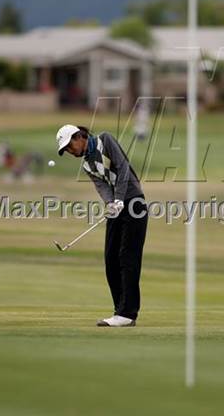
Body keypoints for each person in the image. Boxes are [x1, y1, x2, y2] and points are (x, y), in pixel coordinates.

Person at [56, 124, 148, 327]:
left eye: (69, 146)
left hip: (134, 202)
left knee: (127, 258)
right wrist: (110, 203)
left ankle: (128, 313)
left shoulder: (104, 141)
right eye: (66, 150)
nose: (70, 152)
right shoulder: (87, 165)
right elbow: (102, 186)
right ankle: (120, 311)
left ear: (79, 137)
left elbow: (122, 167)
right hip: (117, 207)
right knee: (111, 258)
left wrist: (120, 198)